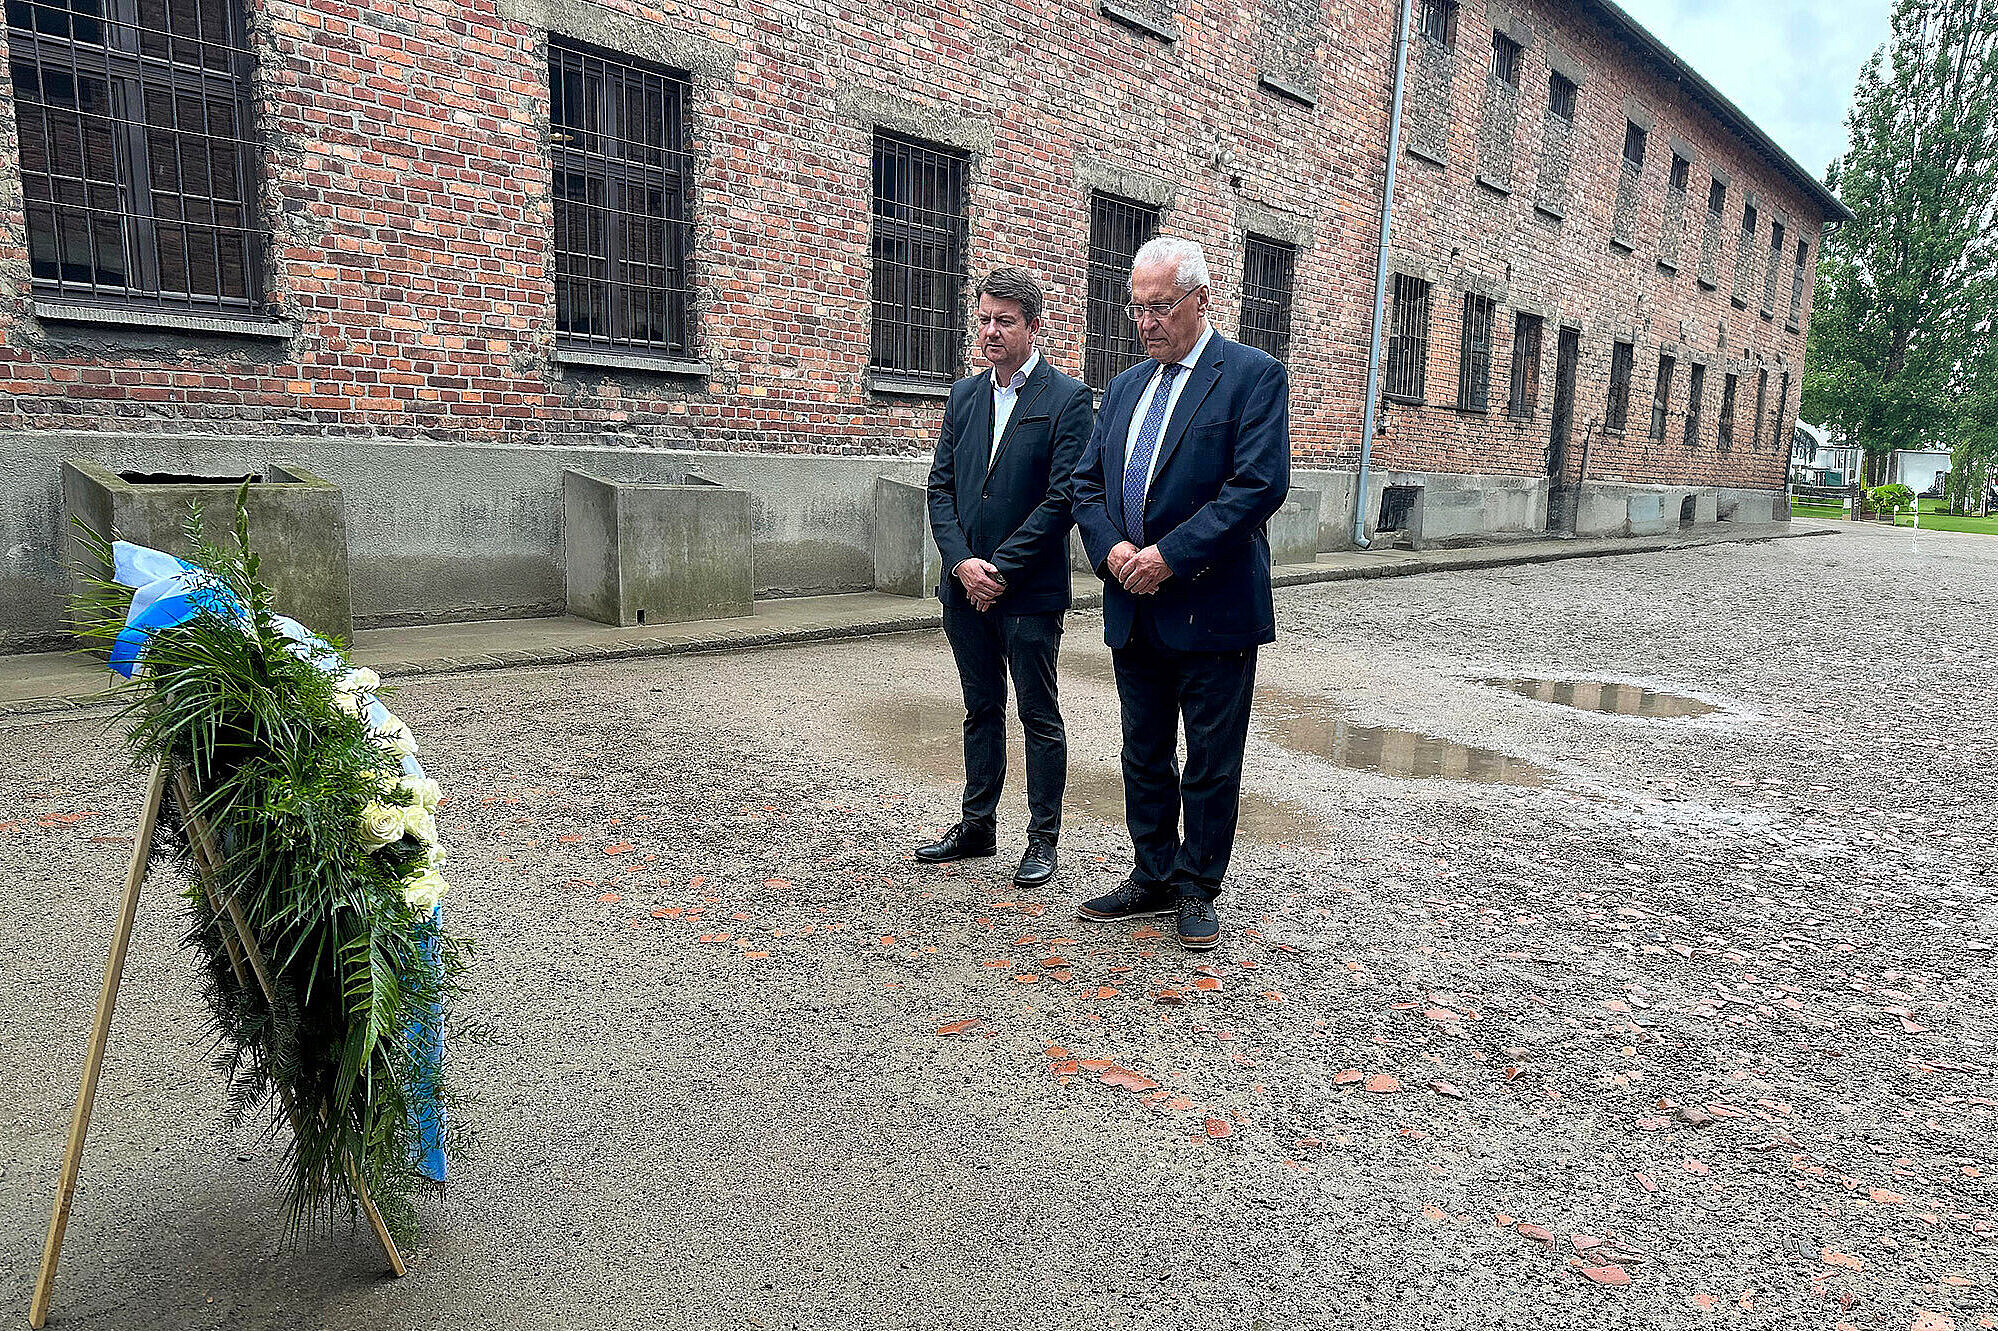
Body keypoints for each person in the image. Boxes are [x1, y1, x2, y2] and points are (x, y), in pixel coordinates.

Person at [1069, 237, 1290, 951]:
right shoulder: (1127, 384)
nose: (1146, 321)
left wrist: (1168, 556)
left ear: (1202, 298)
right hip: (1132, 600)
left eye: (1160, 306)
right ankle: (1153, 873)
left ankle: (1198, 886)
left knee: (1210, 758)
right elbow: (1085, 483)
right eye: (1137, 307)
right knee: (1142, 750)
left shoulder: (1252, 377)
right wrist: (1112, 549)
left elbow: (1257, 486)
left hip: (1212, 605)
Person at [917, 266, 1095, 887]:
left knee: (1038, 715)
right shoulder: (965, 397)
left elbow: (1064, 496)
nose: (991, 332)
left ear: (1033, 326)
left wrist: (1001, 567)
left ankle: (1042, 840)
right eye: (984, 320)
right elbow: (940, 488)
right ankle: (977, 823)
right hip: (964, 587)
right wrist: (961, 562)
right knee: (979, 707)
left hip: (1027, 591)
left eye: (1005, 321)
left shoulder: (1066, 399)